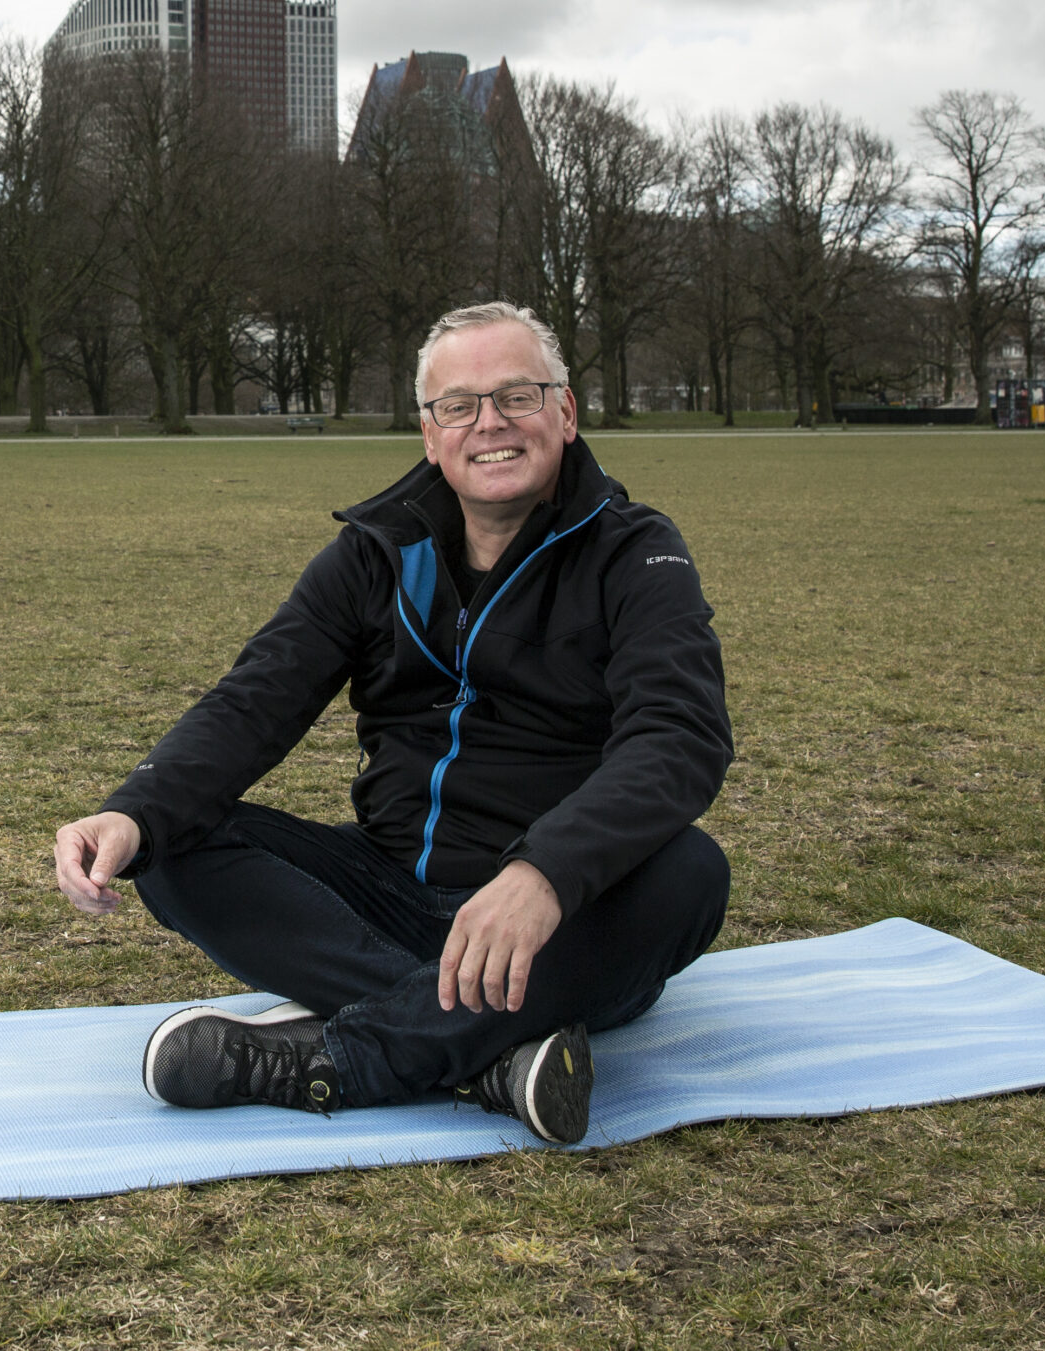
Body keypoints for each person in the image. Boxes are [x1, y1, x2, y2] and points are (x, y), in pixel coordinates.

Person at [53, 302, 732, 1144]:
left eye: (518, 395)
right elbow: (256, 698)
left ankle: (349, 1056)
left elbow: (679, 735)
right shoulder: (373, 552)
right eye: (460, 404)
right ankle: (486, 1056)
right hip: (389, 891)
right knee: (171, 840)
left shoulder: (636, 551)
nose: (490, 423)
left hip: (560, 923)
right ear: (428, 432)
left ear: (566, 411)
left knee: (691, 873)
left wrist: (545, 873)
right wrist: (131, 810)